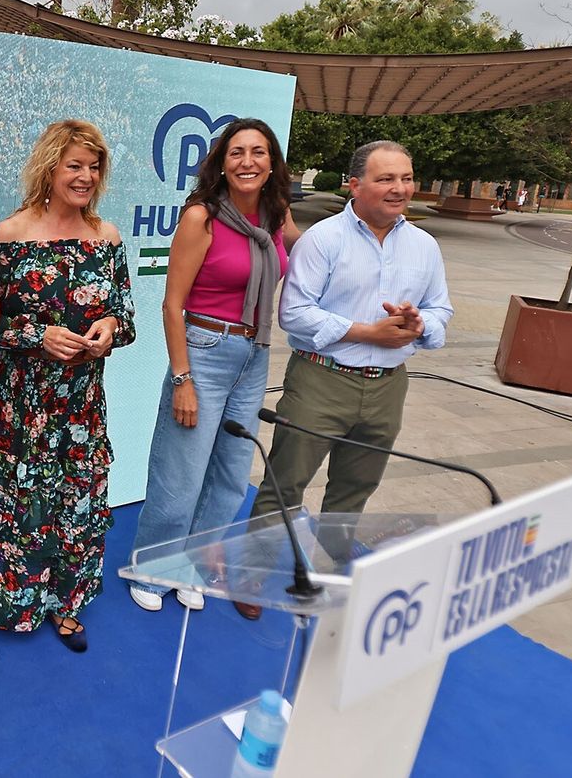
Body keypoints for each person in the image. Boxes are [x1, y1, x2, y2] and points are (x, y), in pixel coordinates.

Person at [247, 140, 452, 615]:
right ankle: (252, 577)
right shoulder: (323, 239)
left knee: (354, 491)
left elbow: (441, 307)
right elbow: (293, 314)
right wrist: (367, 332)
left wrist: (422, 326)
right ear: (355, 185)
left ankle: (323, 576)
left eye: (406, 177)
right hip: (321, 380)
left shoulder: (425, 246)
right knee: (286, 484)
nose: (399, 189)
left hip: (388, 388)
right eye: (385, 179)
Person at [0, 120, 135, 653]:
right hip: (19, 406)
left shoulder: (108, 237)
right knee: (14, 501)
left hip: (80, 408)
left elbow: (125, 315)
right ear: (49, 167)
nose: (84, 176)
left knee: (76, 501)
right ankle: (11, 598)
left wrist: (108, 331)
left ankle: (66, 603)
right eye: (73, 165)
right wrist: (37, 336)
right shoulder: (8, 234)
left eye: (93, 166)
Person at [127, 118, 294, 614]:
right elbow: (170, 304)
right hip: (203, 350)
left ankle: (194, 566)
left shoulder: (275, 216)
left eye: (258, 152)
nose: (248, 162)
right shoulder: (203, 217)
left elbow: (317, 253)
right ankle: (153, 568)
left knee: (229, 475)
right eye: (237, 152)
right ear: (222, 163)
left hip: (254, 355)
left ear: (272, 163)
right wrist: (183, 378)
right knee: (181, 475)